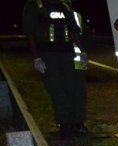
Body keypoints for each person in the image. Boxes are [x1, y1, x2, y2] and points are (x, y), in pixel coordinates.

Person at [22, 0, 88, 138]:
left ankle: (78, 123)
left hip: (68, 53)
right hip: (48, 56)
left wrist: (82, 52)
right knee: (56, 89)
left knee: (74, 88)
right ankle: (64, 124)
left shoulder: (65, 6)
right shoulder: (35, 6)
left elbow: (74, 30)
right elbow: (30, 33)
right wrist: (36, 57)